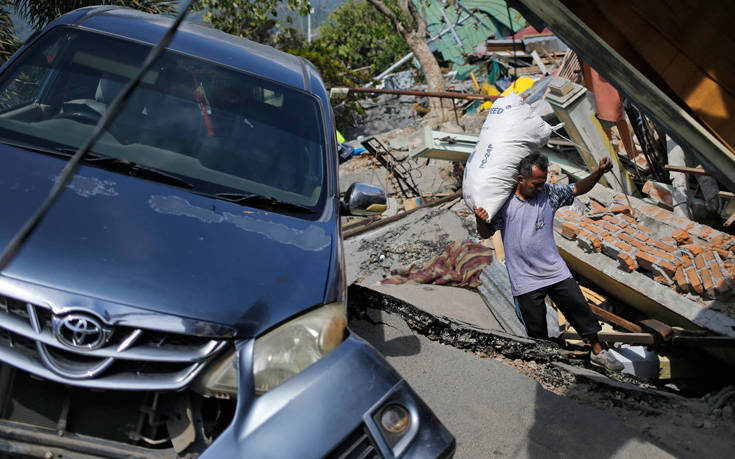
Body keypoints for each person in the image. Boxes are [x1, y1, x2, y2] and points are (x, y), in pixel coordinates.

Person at [474, 152, 624, 372]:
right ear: (520, 179)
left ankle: (598, 352)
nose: (539, 188)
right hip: (524, 278)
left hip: (554, 271)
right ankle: (546, 366)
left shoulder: (549, 193)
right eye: (535, 184)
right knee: (536, 330)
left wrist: (599, 172)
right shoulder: (505, 203)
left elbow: (578, 188)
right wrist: (480, 220)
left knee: (580, 310)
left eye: (542, 183)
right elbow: (486, 233)